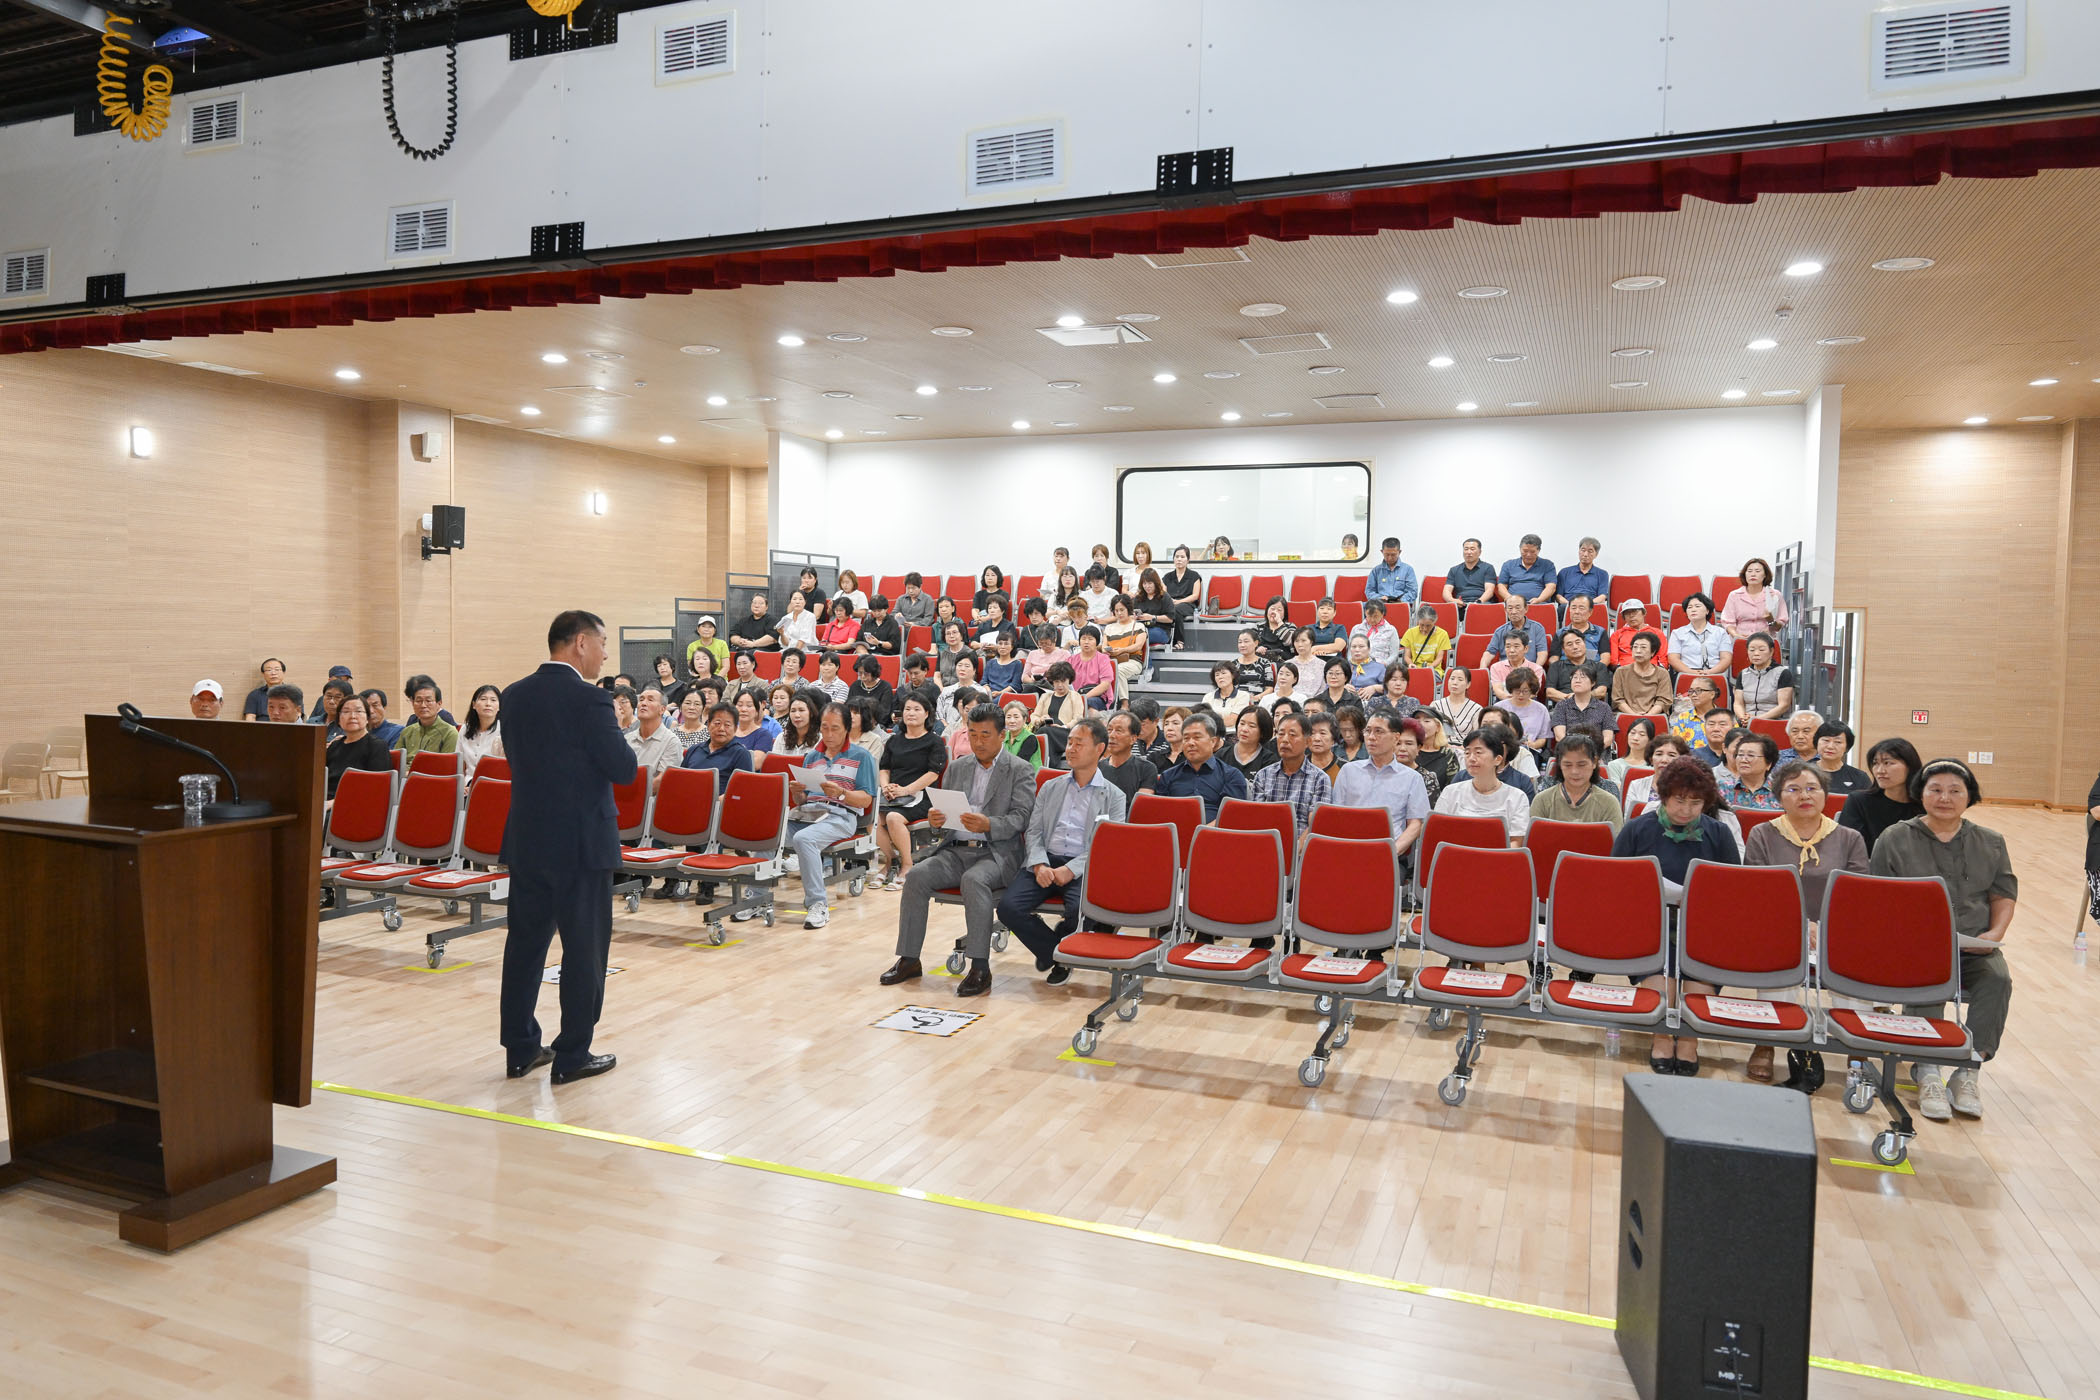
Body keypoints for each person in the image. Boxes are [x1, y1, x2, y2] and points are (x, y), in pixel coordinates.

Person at [497, 610, 637, 1085]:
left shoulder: (514, 695)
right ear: (580, 642)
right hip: (581, 844)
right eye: (602, 643)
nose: (605, 655)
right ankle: (573, 1054)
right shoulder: (591, 699)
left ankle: (520, 1049)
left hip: (528, 838)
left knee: (524, 946)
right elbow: (623, 769)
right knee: (584, 950)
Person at [1868, 758, 2015, 1121]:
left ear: (1969, 796)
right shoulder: (1895, 838)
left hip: (1973, 945)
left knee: (1998, 979)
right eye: (1935, 789)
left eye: (1954, 791)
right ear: (1920, 793)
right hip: (1914, 946)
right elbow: (1877, 897)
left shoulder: (1991, 841)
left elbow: (2003, 894)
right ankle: (1927, 1069)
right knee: (1928, 977)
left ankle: (1968, 1070)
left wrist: (1995, 934)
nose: (1944, 798)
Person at [881, 704, 1038, 996]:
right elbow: (943, 819)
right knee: (916, 876)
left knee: (974, 880)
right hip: (955, 850)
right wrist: (936, 821)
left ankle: (980, 967)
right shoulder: (957, 767)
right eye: (973, 734)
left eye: (985, 735)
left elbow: (1022, 818)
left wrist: (988, 824)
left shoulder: (1020, 769)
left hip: (996, 852)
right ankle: (909, 959)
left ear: (1002, 735)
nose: (978, 741)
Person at [1741, 760, 1870, 1088]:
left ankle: (1858, 1051)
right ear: (1779, 797)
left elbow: (1856, 895)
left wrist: (1822, 926)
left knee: (1854, 956)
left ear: (1825, 794)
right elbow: (1759, 892)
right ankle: (1766, 1042)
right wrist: (1801, 925)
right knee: (1779, 949)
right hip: (1779, 925)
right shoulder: (1762, 834)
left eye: (1812, 788)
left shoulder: (1849, 837)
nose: (1804, 796)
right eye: (1794, 789)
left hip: (1836, 928)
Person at [1613, 757, 1742, 1073]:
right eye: (1679, 801)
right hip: (1650, 926)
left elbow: (1733, 890)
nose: (1686, 810)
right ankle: (1661, 1037)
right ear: (1664, 796)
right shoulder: (1637, 829)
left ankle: (1688, 1040)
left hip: (1702, 927)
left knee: (1696, 990)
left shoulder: (1719, 833)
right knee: (1664, 992)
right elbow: (1615, 884)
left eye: (1695, 803)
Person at [997, 717, 1128, 983]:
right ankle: (1058, 954)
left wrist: (1072, 869)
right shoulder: (1050, 786)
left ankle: (1059, 952)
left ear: (1099, 749)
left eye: (1079, 743)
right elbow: (1034, 831)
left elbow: (1107, 846)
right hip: (1046, 859)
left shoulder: (1114, 796)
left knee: (1081, 910)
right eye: (1069, 742)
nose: (1070, 749)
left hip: (1084, 866)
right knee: (1008, 908)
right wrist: (1039, 864)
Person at [780, 704, 878, 929]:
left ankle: (817, 904)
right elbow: (803, 800)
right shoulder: (812, 756)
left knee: (804, 839)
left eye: (835, 728)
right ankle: (756, 897)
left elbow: (866, 800)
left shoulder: (862, 756)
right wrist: (797, 793)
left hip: (840, 815)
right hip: (808, 813)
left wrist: (842, 793)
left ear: (847, 729)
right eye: (824, 728)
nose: (829, 734)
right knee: (768, 832)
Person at [1333, 711, 1431, 854]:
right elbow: (1336, 815)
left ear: (1396, 737)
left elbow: (1416, 824)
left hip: (1390, 852)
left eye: (1378, 731)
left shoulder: (1412, 778)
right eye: (1368, 731)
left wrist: (1392, 851)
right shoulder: (1348, 771)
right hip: (1348, 848)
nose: (1371, 737)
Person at [1432, 728, 1531, 845]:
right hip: (1456, 853)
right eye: (1467, 753)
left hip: (1499, 855)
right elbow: (1437, 833)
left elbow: (1516, 842)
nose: (1471, 758)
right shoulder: (1451, 792)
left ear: (1497, 759)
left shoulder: (1517, 797)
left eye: (1478, 752)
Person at [1837, 737, 1925, 853]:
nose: (1879, 770)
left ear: (1910, 766)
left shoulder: (1925, 804)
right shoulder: (1859, 801)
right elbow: (1847, 847)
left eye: (1888, 763)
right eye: (1875, 763)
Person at [1154, 710, 1247, 819]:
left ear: (1213, 742)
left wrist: (1202, 829)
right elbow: (1160, 813)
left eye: (1197, 737)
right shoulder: (1168, 776)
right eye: (1186, 738)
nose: (1191, 743)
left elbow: (1232, 816)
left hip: (1215, 829)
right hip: (1176, 828)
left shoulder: (1231, 776)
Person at [1249, 710, 1331, 829]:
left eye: (1292, 735)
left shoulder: (1320, 779)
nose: (1285, 740)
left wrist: (1298, 842)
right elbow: (1257, 819)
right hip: (1267, 837)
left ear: (1307, 742)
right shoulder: (1263, 775)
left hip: (1303, 839)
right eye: (1281, 734)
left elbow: (1315, 826)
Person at [1529, 732, 1623, 831]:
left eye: (1581, 765)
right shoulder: (1542, 800)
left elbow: (1615, 839)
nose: (1574, 771)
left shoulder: (1609, 803)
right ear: (1559, 764)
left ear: (1594, 762)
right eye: (1568, 765)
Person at [324, 693, 392, 798]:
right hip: (324, 799)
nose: (352, 716)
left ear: (367, 718)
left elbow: (376, 787)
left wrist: (334, 803)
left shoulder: (377, 746)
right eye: (346, 711)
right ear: (339, 719)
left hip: (357, 802)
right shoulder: (334, 746)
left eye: (358, 711)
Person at [680, 702, 756, 794]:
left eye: (727, 725)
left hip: (719, 802)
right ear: (708, 725)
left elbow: (742, 790)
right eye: (717, 723)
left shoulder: (741, 754)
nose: (721, 729)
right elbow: (680, 779)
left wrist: (714, 800)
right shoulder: (694, 749)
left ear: (735, 729)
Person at [1720, 557, 1789, 640]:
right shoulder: (1734, 595)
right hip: (1740, 640)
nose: (1753, 574)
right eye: (1749, 571)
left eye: (1757, 571)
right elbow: (1728, 622)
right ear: (1745, 574)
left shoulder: (1775, 595)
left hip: (1766, 641)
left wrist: (1770, 620)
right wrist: (1736, 635)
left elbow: (1779, 626)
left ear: (1765, 575)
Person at [1734, 633, 1795, 721]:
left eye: (1761, 650)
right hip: (1747, 722)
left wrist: (1757, 720)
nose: (1756, 654)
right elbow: (1738, 704)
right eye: (1752, 650)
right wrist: (1743, 718)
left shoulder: (1783, 673)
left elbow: (1784, 705)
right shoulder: (1743, 674)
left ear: (1771, 651)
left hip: (1773, 722)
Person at [1550, 668, 1614, 750]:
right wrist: (1577, 752)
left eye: (1582, 677)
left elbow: (1608, 739)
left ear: (1593, 683)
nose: (1577, 681)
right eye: (1574, 677)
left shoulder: (1604, 707)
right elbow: (1560, 737)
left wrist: (1591, 752)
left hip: (1596, 752)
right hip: (1569, 751)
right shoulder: (1561, 705)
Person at [1668, 593, 1730, 677]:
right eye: (1689, 607)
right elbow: (1673, 659)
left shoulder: (1720, 632)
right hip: (1687, 674)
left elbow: (1726, 658)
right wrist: (1691, 672)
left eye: (1697, 606)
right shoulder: (1678, 633)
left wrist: (1710, 672)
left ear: (1707, 611)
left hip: (1714, 673)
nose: (1693, 610)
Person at [393, 676, 458, 756]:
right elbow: (396, 759)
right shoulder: (407, 731)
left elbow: (446, 762)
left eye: (428, 700)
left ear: (439, 703)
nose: (423, 705)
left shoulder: (449, 732)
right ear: (413, 703)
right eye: (418, 701)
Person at [1612, 632, 1673, 716]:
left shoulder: (1662, 673)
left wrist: (1648, 716)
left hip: (1654, 716)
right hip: (1626, 715)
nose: (1638, 651)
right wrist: (1634, 715)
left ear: (1653, 652)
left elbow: (1663, 700)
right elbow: (1618, 700)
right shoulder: (1621, 671)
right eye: (1635, 647)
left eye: (1643, 647)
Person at [1624, 735, 1691, 810]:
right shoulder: (1636, 785)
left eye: (1671, 755)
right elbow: (1630, 816)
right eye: (1659, 754)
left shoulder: (1689, 789)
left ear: (1682, 761)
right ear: (1651, 759)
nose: (1664, 760)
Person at [1718, 731, 1782, 809]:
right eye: (1740, 755)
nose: (1743, 760)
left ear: (1768, 764)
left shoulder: (1780, 791)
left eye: (1750, 755)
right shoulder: (1723, 788)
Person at [1544, 630, 1608, 704]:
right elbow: (1550, 692)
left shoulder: (1599, 666)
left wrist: (1580, 697)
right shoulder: (1556, 666)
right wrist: (1569, 698)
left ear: (1584, 643)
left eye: (1578, 642)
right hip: (1564, 705)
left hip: (1591, 705)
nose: (1575, 647)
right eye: (1569, 644)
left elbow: (1601, 691)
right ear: (1563, 649)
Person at [1485, 594, 1548, 665]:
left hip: (1529, 669)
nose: (1514, 612)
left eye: (1518, 608)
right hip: (1506, 669)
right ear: (1505, 610)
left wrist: (1535, 669)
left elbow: (1542, 652)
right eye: (1510, 608)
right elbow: (1489, 653)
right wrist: (1483, 669)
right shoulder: (1500, 631)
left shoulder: (1537, 628)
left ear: (1526, 609)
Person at [1811, 722, 1871, 796]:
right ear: (1817, 742)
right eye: (1826, 740)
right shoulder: (1802, 771)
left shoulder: (1860, 778)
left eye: (1838, 742)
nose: (1830, 746)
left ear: (1847, 747)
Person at [1103, 595, 1148, 691]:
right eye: (1116, 610)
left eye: (1122, 610)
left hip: (1132, 661)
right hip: (1112, 660)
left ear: (1128, 609)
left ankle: (1123, 699)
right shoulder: (1109, 628)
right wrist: (1109, 651)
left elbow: (1138, 646)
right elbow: (1104, 647)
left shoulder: (1138, 626)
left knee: (1117, 669)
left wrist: (1122, 650)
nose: (1119, 613)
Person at [1412, 712, 1461, 800]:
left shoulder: (1448, 754)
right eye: (1417, 721)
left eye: (1426, 721)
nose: (1420, 724)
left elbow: (1452, 789)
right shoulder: (1407, 750)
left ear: (1438, 727)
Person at [459, 684, 505, 776]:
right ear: (474, 705)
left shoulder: (504, 730)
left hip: (492, 781)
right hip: (468, 781)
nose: (488, 704)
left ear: (499, 706)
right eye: (483, 699)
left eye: (493, 700)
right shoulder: (465, 729)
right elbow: (459, 762)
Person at [1161, 545, 1202, 646]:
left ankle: (1179, 641)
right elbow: (1163, 593)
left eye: (1182, 557)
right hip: (1170, 603)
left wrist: (1179, 601)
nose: (1179, 559)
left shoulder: (1194, 576)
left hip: (1188, 605)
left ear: (1188, 560)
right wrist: (1170, 601)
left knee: (1176, 609)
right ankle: (1162, 639)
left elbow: (1195, 596)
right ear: (1173, 559)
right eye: (1177, 556)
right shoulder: (1167, 577)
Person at [1221, 705, 1277, 777]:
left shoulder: (1269, 760)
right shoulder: (1222, 755)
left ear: (1262, 732)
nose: (1244, 729)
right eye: (1242, 723)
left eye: (1251, 726)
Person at [1498, 533, 1557, 602]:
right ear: (1520, 549)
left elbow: (1551, 587)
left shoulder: (1548, 565)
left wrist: (1539, 600)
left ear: (1538, 550)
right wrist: (1511, 599)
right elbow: (1501, 586)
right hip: (1513, 604)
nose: (1528, 555)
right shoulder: (1508, 565)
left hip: (1539, 603)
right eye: (1525, 551)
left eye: (1532, 552)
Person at [1069, 625, 1116, 710]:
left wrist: (1083, 698)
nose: (1086, 642)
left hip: (1097, 697)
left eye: (1090, 639)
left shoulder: (1103, 659)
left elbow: (1105, 684)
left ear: (1097, 642)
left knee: (1088, 703)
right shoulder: (1071, 659)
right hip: (1075, 696)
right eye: (1083, 638)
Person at [1430, 665, 1482, 741]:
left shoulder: (1476, 709)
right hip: (1440, 745)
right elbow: (1430, 732)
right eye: (1452, 678)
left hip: (1465, 746)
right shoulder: (1436, 705)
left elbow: (1478, 737)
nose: (1455, 683)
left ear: (1468, 684)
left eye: (1460, 680)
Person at [1030, 661, 1087, 732]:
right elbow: (1034, 716)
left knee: (1045, 730)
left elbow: (1078, 719)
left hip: (1065, 731)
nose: (1060, 685)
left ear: (1069, 680)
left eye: (1063, 681)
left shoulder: (1075, 696)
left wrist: (1064, 727)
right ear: (1052, 682)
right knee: (1045, 730)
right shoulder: (1045, 696)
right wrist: (1040, 720)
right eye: (1057, 681)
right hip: (1046, 729)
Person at [1487, 632, 1543, 702]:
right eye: (1508, 646)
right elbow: (1498, 690)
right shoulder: (1496, 667)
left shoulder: (1536, 668)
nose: (1511, 650)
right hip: (1504, 702)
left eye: (1516, 646)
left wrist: (1518, 700)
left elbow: (1534, 692)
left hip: (1527, 702)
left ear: (1526, 648)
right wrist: (1512, 701)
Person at [1556, 537, 1610, 606]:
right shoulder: (1564, 572)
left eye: (1590, 551)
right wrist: (1571, 605)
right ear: (1579, 551)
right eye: (1583, 550)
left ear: (1596, 554)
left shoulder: (1602, 574)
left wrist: (1585, 605)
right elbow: (1558, 596)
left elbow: (1602, 597)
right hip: (1567, 606)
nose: (1585, 554)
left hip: (1591, 606)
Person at [1366, 536, 1419, 607]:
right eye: (1387, 554)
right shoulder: (1376, 571)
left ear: (1399, 552)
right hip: (1380, 606)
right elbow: (1369, 591)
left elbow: (1413, 591)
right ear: (1382, 552)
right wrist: (1379, 598)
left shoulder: (1408, 570)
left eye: (1393, 555)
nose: (1390, 558)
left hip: (1401, 605)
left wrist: (1401, 600)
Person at [1132, 569, 1178, 651]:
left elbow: (1170, 619)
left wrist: (1153, 617)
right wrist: (1134, 618)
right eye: (1144, 583)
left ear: (1155, 583)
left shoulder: (1164, 596)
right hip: (1142, 628)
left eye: (1150, 583)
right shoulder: (1138, 598)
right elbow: (1130, 615)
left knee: (1141, 636)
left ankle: (1143, 659)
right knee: (1134, 635)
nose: (1147, 586)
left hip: (1161, 630)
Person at [1400, 603, 1452, 673]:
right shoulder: (1410, 632)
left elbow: (1439, 658)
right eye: (1421, 625)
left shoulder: (1443, 634)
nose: (1424, 629)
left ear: (1434, 622)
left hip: (1433, 670)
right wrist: (1411, 664)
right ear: (1418, 621)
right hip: (1414, 668)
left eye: (1428, 625)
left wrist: (1429, 668)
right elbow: (1407, 656)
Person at [1607, 718, 1658, 788]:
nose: (1635, 738)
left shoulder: (1655, 766)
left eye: (1642, 734)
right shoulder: (1615, 765)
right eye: (1632, 733)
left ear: (1650, 740)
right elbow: (1618, 791)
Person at [1350, 600, 1402, 669]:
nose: (1372, 620)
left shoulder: (1391, 630)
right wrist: (1352, 664)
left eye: (1375, 616)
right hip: (1358, 665)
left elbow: (1394, 654)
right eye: (1369, 616)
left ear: (1382, 614)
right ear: (1365, 613)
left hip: (1381, 666)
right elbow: (1350, 652)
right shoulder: (1357, 629)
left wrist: (1385, 664)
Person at [938, 652, 983, 731]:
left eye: (967, 666)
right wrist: (947, 728)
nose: (962, 669)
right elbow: (939, 714)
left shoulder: (980, 691)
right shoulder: (947, 690)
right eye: (959, 665)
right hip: (945, 730)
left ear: (974, 670)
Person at [1446, 537, 1498, 605]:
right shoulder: (1454, 570)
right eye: (1466, 549)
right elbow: (1447, 591)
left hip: (1482, 602)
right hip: (1461, 603)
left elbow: (1489, 591)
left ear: (1480, 552)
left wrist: (1478, 602)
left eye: (1472, 549)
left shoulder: (1488, 568)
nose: (1468, 552)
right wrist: (1452, 600)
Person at [775, 693, 824, 760]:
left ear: (811, 713)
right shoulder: (782, 738)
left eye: (801, 710)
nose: (797, 715)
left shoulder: (821, 739)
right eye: (793, 711)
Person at [850, 655, 895, 727]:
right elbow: (849, 708)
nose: (863, 676)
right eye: (860, 673)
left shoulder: (885, 687)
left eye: (866, 673)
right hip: (856, 724)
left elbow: (884, 713)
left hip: (877, 725)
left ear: (873, 672)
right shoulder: (855, 686)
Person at [1001, 700, 1047, 770]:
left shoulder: (1030, 739)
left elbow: (1019, 765)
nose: (1012, 721)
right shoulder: (1002, 737)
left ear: (1024, 719)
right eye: (1008, 717)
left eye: (1016, 717)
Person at [1253, 596, 1297, 664]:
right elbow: (1249, 644)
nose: (1275, 612)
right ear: (1267, 610)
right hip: (1262, 663)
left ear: (1284, 614)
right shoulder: (1258, 627)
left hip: (1284, 663)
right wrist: (1257, 648)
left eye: (1279, 610)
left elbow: (1291, 642)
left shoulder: (1290, 626)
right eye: (1272, 609)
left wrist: (1279, 622)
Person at [730, 690, 778, 755]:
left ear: (757, 710)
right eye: (740, 705)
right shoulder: (727, 731)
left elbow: (756, 760)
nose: (743, 709)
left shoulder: (763, 735)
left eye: (749, 706)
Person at [981, 629, 1026, 695]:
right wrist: (989, 692)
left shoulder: (1017, 664)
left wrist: (1000, 693)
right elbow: (984, 682)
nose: (1002, 647)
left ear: (1012, 646)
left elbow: (1015, 685)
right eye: (1000, 643)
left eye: (1006, 644)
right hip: (989, 694)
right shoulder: (990, 663)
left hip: (1006, 694)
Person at [1609, 600, 1652, 666]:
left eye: (1635, 612)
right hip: (1625, 669)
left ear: (1644, 613)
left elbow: (1662, 659)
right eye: (1627, 613)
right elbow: (1613, 660)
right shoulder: (1616, 635)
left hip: (1651, 668)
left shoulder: (1657, 633)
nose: (1631, 615)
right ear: (1624, 617)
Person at [1305, 712, 1342, 781]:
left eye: (1322, 733)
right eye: (1312, 733)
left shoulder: (1344, 768)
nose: (1317, 738)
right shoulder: (1298, 765)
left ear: (1333, 739)